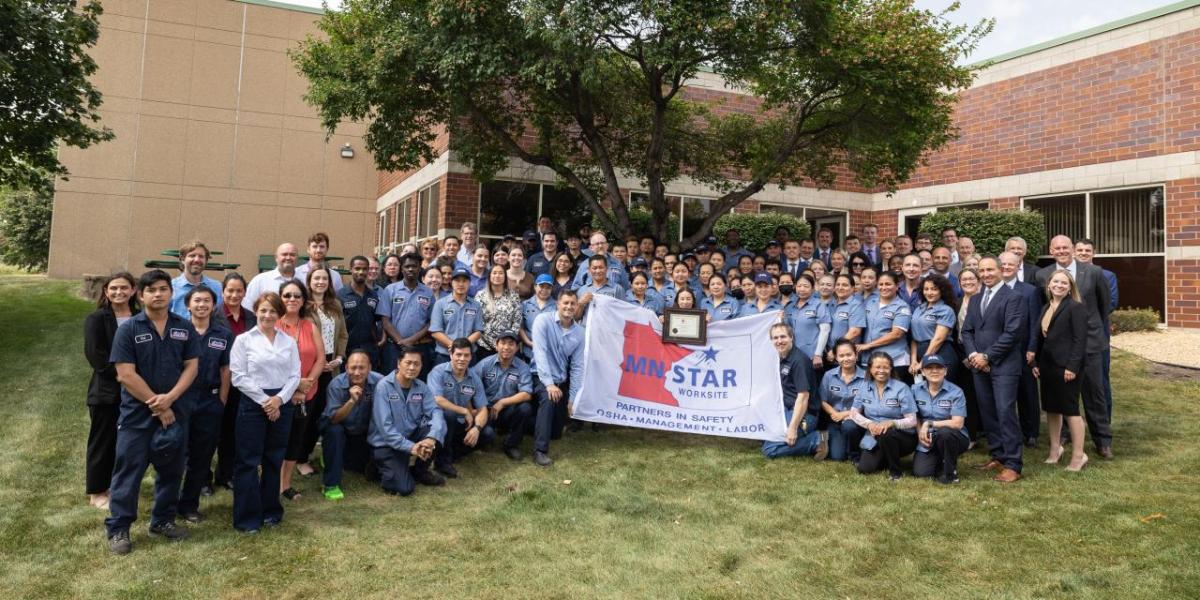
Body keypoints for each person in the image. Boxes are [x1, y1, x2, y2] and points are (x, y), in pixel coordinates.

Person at [105, 270, 200, 554]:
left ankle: (162, 521)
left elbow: (192, 366)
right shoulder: (129, 329)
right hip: (137, 417)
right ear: (141, 295)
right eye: (151, 290)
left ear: (171, 293)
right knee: (128, 472)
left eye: (163, 289)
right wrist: (158, 406)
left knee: (171, 471)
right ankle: (119, 528)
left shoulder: (184, 327)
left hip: (175, 413)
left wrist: (170, 399)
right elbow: (125, 375)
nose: (158, 294)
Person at [1035, 235, 1112, 459]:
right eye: (1057, 248)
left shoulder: (1093, 272)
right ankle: (1064, 438)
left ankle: (1102, 440)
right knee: (1062, 395)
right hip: (1058, 349)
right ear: (1051, 249)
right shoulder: (1043, 275)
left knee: (1094, 393)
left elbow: (1104, 305)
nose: (1061, 251)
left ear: (1073, 248)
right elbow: (1048, 310)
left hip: (1089, 344)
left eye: (1065, 247)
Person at [229, 291, 299, 533]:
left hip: (282, 403)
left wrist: (278, 400)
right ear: (256, 311)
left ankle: (271, 511)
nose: (267, 315)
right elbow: (238, 376)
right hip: (252, 403)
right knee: (248, 462)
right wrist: (265, 401)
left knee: (273, 459)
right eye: (263, 310)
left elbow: (295, 375)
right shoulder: (244, 340)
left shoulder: (288, 341)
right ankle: (247, 518)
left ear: (279, 314)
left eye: (272, 311)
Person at [962, 256, 1027, 483]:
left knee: (1005, 412)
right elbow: (967, 331)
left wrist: (987, 356)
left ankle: (1013, 463)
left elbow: (1012, 334)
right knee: (988, 411)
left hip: (1004, 365)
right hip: (979, 366)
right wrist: (973, 356)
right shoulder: (977, 297)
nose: (986, 274)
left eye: (990, 269)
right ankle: (997, 455)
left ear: (1001, 270)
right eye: (982, 270)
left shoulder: (1014, 298)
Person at [176, 286, 232, 523]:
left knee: (202, 455)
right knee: (174, 453)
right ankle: (167, 503)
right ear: (188, 305)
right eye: (197, 300)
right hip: (181, 399)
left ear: (213, 305)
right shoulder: (177, 332)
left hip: (210, 401)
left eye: (207, 301)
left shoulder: (223, 334)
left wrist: (221, 400)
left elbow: (225, 369)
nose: (201, 305)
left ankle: (189, 505)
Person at [84, 272, 138, 510]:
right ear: (106, 292)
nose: (119, 292)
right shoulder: (97, 319)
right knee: (103, 442)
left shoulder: (140, 318)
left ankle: (117, 485)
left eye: (124, 288)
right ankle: (97, 491)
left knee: (125, 443)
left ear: (134, 290)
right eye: (113, 288)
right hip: (106, 393)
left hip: (135, 393)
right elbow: (96, 356)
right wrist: (125, 378)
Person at [369, 345, 447, 495]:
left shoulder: (421, 387)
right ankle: (376, 467)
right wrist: (412, 447)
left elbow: (435, 411)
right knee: (405, 489)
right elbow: (386, 429)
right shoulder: (383, 387)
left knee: (439, 427)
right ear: (399, 364)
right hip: (386, 444)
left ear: (421, 366)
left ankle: (420, 471)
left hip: (410, 437)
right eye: (408, 363)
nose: (412, 367)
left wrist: (431, 438)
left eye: (416, 364)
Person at [1033, 270, 1090, 472]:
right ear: (1049, 285)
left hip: (1067, 368)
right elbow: (1041, 339)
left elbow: (1079, 340)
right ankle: (1055, 450)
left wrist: (1072, 367)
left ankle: (1078, 455)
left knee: (1070, 411)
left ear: (1070, 286)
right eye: (1055, 281)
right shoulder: (1045, 307)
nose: (1059, 285)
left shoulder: (1076, 308)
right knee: (1052, 409)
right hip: (1048, 366)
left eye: (1064, 282)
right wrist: (1036, 363)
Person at [275, 280, 326, 501]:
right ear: (280, 298)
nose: (292, 300)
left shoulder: (310, 326)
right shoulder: (273, 325)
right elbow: (270, 362)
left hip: (307, 394)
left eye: (297, 296)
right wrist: (294, 386)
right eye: (287, 295)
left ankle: (285, 485)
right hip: (280, 395)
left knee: (295, 441)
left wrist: (306, 384)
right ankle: (271, 483)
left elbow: (321, 358)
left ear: (303, 300)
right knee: (277, 441)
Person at [298, 266, 347, 477]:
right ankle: (300, 458)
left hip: (332, 366)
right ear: (309, 281)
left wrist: (339, 358)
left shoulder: (334, 304)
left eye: (324, 278)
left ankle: (323, 454)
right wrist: (318, 361)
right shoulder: (302, 306)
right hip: (309, 365)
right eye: (316, 278)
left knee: (325, 413)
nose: (320, 282)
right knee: (307, 414)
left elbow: (343, 334)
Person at [531, 289, 586, 466]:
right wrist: (548, 384)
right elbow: (540, 353)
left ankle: (536, 426)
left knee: (556, 433)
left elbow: (577, 367)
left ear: (577, 306)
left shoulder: (580, 333)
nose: (569, 307)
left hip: (561, 380)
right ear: (558, 304)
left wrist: (572, 398)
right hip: (540, 376)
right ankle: (540, 451)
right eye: (566, 303)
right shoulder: (543, 321)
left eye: (572, 304)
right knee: (548, 400)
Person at [319, 350, 382, 500]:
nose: (357, 372)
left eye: (362, 367)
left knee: (360, 468)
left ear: (370, 368)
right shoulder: (336, 385)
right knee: (334, 432)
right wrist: (351, 401)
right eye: (353, 368)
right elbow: (333, 419)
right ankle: (330, 484)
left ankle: (343, 457)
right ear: (346, 368)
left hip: (364, 431)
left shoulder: (381, 382)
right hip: (341, 428)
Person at [761, 323, 828, 459]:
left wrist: (792, 427)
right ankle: (796, 436)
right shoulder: (779, 357)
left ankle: (816, 439)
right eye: (775, 338)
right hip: (786, 409)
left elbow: (803, 397)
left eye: (783, 337)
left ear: (791, 337)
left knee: (770, 449)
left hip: (805, 414)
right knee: (763, 435)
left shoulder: (799, 361)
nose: (779, 341)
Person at [214, 273, 255, 492]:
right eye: (230, 290)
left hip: (243, 381)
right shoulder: (213, 315)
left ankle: (225, 473)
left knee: (232, 430)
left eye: (239, 291)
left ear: (245, 293)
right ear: (223, 292)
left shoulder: (251, 318)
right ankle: (202, 478)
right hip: (219, 378)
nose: (234, 294)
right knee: (213, 431)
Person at [428, 339, 492, 478]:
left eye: (466, 355)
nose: (462, 359)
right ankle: (442, 462)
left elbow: (483, 409)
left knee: (487, 434)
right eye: (458, 354)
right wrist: (464, 411)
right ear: (451, 354)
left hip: (462, 424)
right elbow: (437, 400)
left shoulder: (474, 378)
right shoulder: (438, 372)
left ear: (471, 356)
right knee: (449, 414)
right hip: (438, 422)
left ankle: (450, 453)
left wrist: (477, 429)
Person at [849, 352, 918, 480]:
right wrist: (869, 424)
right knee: (865, 469)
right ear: (870, 368)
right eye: (877, 367)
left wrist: (892, 423)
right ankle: (885, 457)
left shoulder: (902, 388)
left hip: (901, 436)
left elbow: (912, 420)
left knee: (887, 433)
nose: (881, 371)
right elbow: (853, 413)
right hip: (874, 434)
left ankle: (896, 472)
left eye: (885, 367)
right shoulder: (864, 387)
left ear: (891, 369)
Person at [1000, 252, 1043, 448]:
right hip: (999, 350)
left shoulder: (1029, 291)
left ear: (1019, 266)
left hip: (1023, 349)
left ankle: (1031, 431)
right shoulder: (991, 289)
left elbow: (1035, 322)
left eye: (1011, 264)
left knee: (1027, 392)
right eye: (1003, 264)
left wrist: (1033, 348)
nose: (1006, 267)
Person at [472, 331, 535, 460]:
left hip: (507, 410)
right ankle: (487, 437)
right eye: (503, 343)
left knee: (525, 408)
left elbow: (527, 394)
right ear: (496, 345)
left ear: (517, 348)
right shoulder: (484, 364)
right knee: (487, 435)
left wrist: (503, 402)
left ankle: (511, 444)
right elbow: (471, 386)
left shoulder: (522, 367)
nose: (506, 347)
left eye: (511, 344)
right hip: (486, 410)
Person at [1074, 238, 1118, 424]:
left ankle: (1103, 421)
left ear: (1093, 253)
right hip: (1072, 338)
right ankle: (1072, 425)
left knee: (1100, 381)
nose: (1084, 253)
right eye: (1080, 250)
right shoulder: (1069, 275)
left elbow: (1110, 303)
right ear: (1074, 252)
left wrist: (1085, 320)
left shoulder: (1106, 275)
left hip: (1096, 335)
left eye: (1088, 250)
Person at [912, 355, 969, 484]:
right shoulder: (914, 390)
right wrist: (920, 432)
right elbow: (914, 416)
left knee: (945, 433)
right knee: (921, 473)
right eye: (929, 368)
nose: (934, 371)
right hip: (928, 437)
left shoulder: (956, 392)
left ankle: (950, 473)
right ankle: (939, 460)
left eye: (939, 367)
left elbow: (958, 423)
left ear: (946, 371)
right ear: (923, 372)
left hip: (954, 436)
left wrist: (929, 423)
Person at [378, 253, 435, 376]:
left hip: (419, 347)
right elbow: (385, 320)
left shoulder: (428, 292)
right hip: (394, 347)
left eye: (414, 266)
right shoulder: (390, 290)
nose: (410, 269)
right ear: (402, 268)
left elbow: (431, 322)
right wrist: (401, 341)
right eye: (407, 266)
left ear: (420, 268)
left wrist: (411, 340)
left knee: (418, 384)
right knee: (391, 382)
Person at [818, 339, 869, 462]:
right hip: (834, 420)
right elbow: (822, 400)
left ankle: (855, 453)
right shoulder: (828, 375)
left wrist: (845, 414)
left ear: (856, 356)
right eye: (841, 355)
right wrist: (834, 414)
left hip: (856, 421)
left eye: (849, 354)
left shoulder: (866, 377)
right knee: (837, 457)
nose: (846, 358)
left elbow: (867, 403)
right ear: (836, 358)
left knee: (849, 427)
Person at [857, 271, 912, 382]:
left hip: (895, 359)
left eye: (888, 284)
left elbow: (896, 334)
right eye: (881, 284)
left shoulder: (902, 307)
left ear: (897, 286)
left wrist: (869, 345)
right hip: (869, 359)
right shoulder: (870, 303)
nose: (884, 287)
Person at [430, 268, 485, 366]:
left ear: (469, 283)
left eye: (464, 281)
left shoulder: (476, 305)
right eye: (457, 281)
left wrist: (463, 347)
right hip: (445, 355)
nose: (461, 284)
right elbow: (435, 331)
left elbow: (478, 331)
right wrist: (454, 346)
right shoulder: (440, 304)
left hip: (468, 356)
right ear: (451, 282)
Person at [908, 274, 959, 380]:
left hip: (941, 354)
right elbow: (914, 337)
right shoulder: (919, 308)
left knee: (942, 393)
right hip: (920, 355)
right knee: (923, 392)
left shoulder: (946, 310)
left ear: (942, 290)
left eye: (934, 289)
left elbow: (938, 340)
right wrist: (913, 361)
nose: (929, 292)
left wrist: (922, 362)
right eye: (926, 289)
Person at [339, 256, 381, 367]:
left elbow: (379, 321)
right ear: (350, 269)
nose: (361, 272)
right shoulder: (340, 295)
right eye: (357, 268)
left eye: (364, 269)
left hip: (369, 350)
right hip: (347, 350)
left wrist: (381, 340)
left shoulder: (373, 295)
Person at [476, 263, 523, 361]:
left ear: (505, 277)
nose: (497, 276)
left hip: (508, 347)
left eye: (501, 273)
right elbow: (478, 322)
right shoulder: (481, 296)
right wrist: (496, 345)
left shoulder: (514, 296)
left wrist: (506, 344)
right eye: (494, 273)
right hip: (485, 347)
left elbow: (517, 321)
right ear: (489, 276)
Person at [785, 275, 829, 370]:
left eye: (806, 286)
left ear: (813, 289)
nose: (802, 289)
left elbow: (825, 330)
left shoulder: (819, 305)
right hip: (793, 355)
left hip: (812, 356)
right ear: (795, 287)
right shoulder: (790, 306)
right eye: (799, 286)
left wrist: (818, 354)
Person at [169, 241, 222, 319]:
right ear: (182, 259)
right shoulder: (171, 287)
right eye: (192, 255)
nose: (197, 260)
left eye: (201, 256)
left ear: (206, 261)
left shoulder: (217, 287)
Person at [243, 243, 298, 311]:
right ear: (276, 258)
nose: (288, 257)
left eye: (292, 255)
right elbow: (248, 308)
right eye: (284, 254)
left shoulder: (304, 279)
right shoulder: (260, 280)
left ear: (297, 258)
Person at [825, 273, 865, 363]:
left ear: (853, 288)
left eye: (845, 285)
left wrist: (835, 350)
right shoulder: (831, 304)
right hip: (829, 354)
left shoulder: (856, 305)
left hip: (846, 355)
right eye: (838, 284)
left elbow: (854, 332)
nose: (840, 287)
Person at [576, 254, 624, 318]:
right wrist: (580, 304)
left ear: (607, 269)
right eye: (594, 268)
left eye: (601, 267)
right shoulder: (582, 290)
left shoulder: (617, 289)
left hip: (608, 327)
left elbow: (623, 314)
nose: (598, 271)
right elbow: (576, 318)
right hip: (586, 327)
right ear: (589, 270)